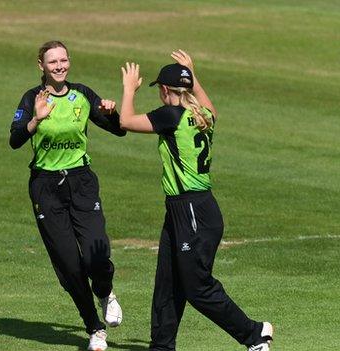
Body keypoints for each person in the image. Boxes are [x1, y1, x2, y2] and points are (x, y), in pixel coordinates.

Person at [118, 51, 274, 351]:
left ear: (165, 91)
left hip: (191, 211)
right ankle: (162, 346)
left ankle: (254, 334)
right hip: (189, 209)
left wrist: (128, 90)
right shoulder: (202, 115)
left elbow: (125, 121)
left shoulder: (171, 115)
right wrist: (194, 74)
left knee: (196, 287)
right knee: (167, 281)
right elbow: (210, 106)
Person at [9, 40, 124, 351]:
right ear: (41, 66)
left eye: (63, 60)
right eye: (52, 62)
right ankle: (95, 329)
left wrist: (113, 112)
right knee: (69, 265)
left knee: (96, 254)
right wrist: (36, 119)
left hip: (81, 182)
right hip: (46, 187)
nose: (59, 66)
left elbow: (119, 129)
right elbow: (15, 139)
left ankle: (105, 291)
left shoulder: (82, 95)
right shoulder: (32, 98)